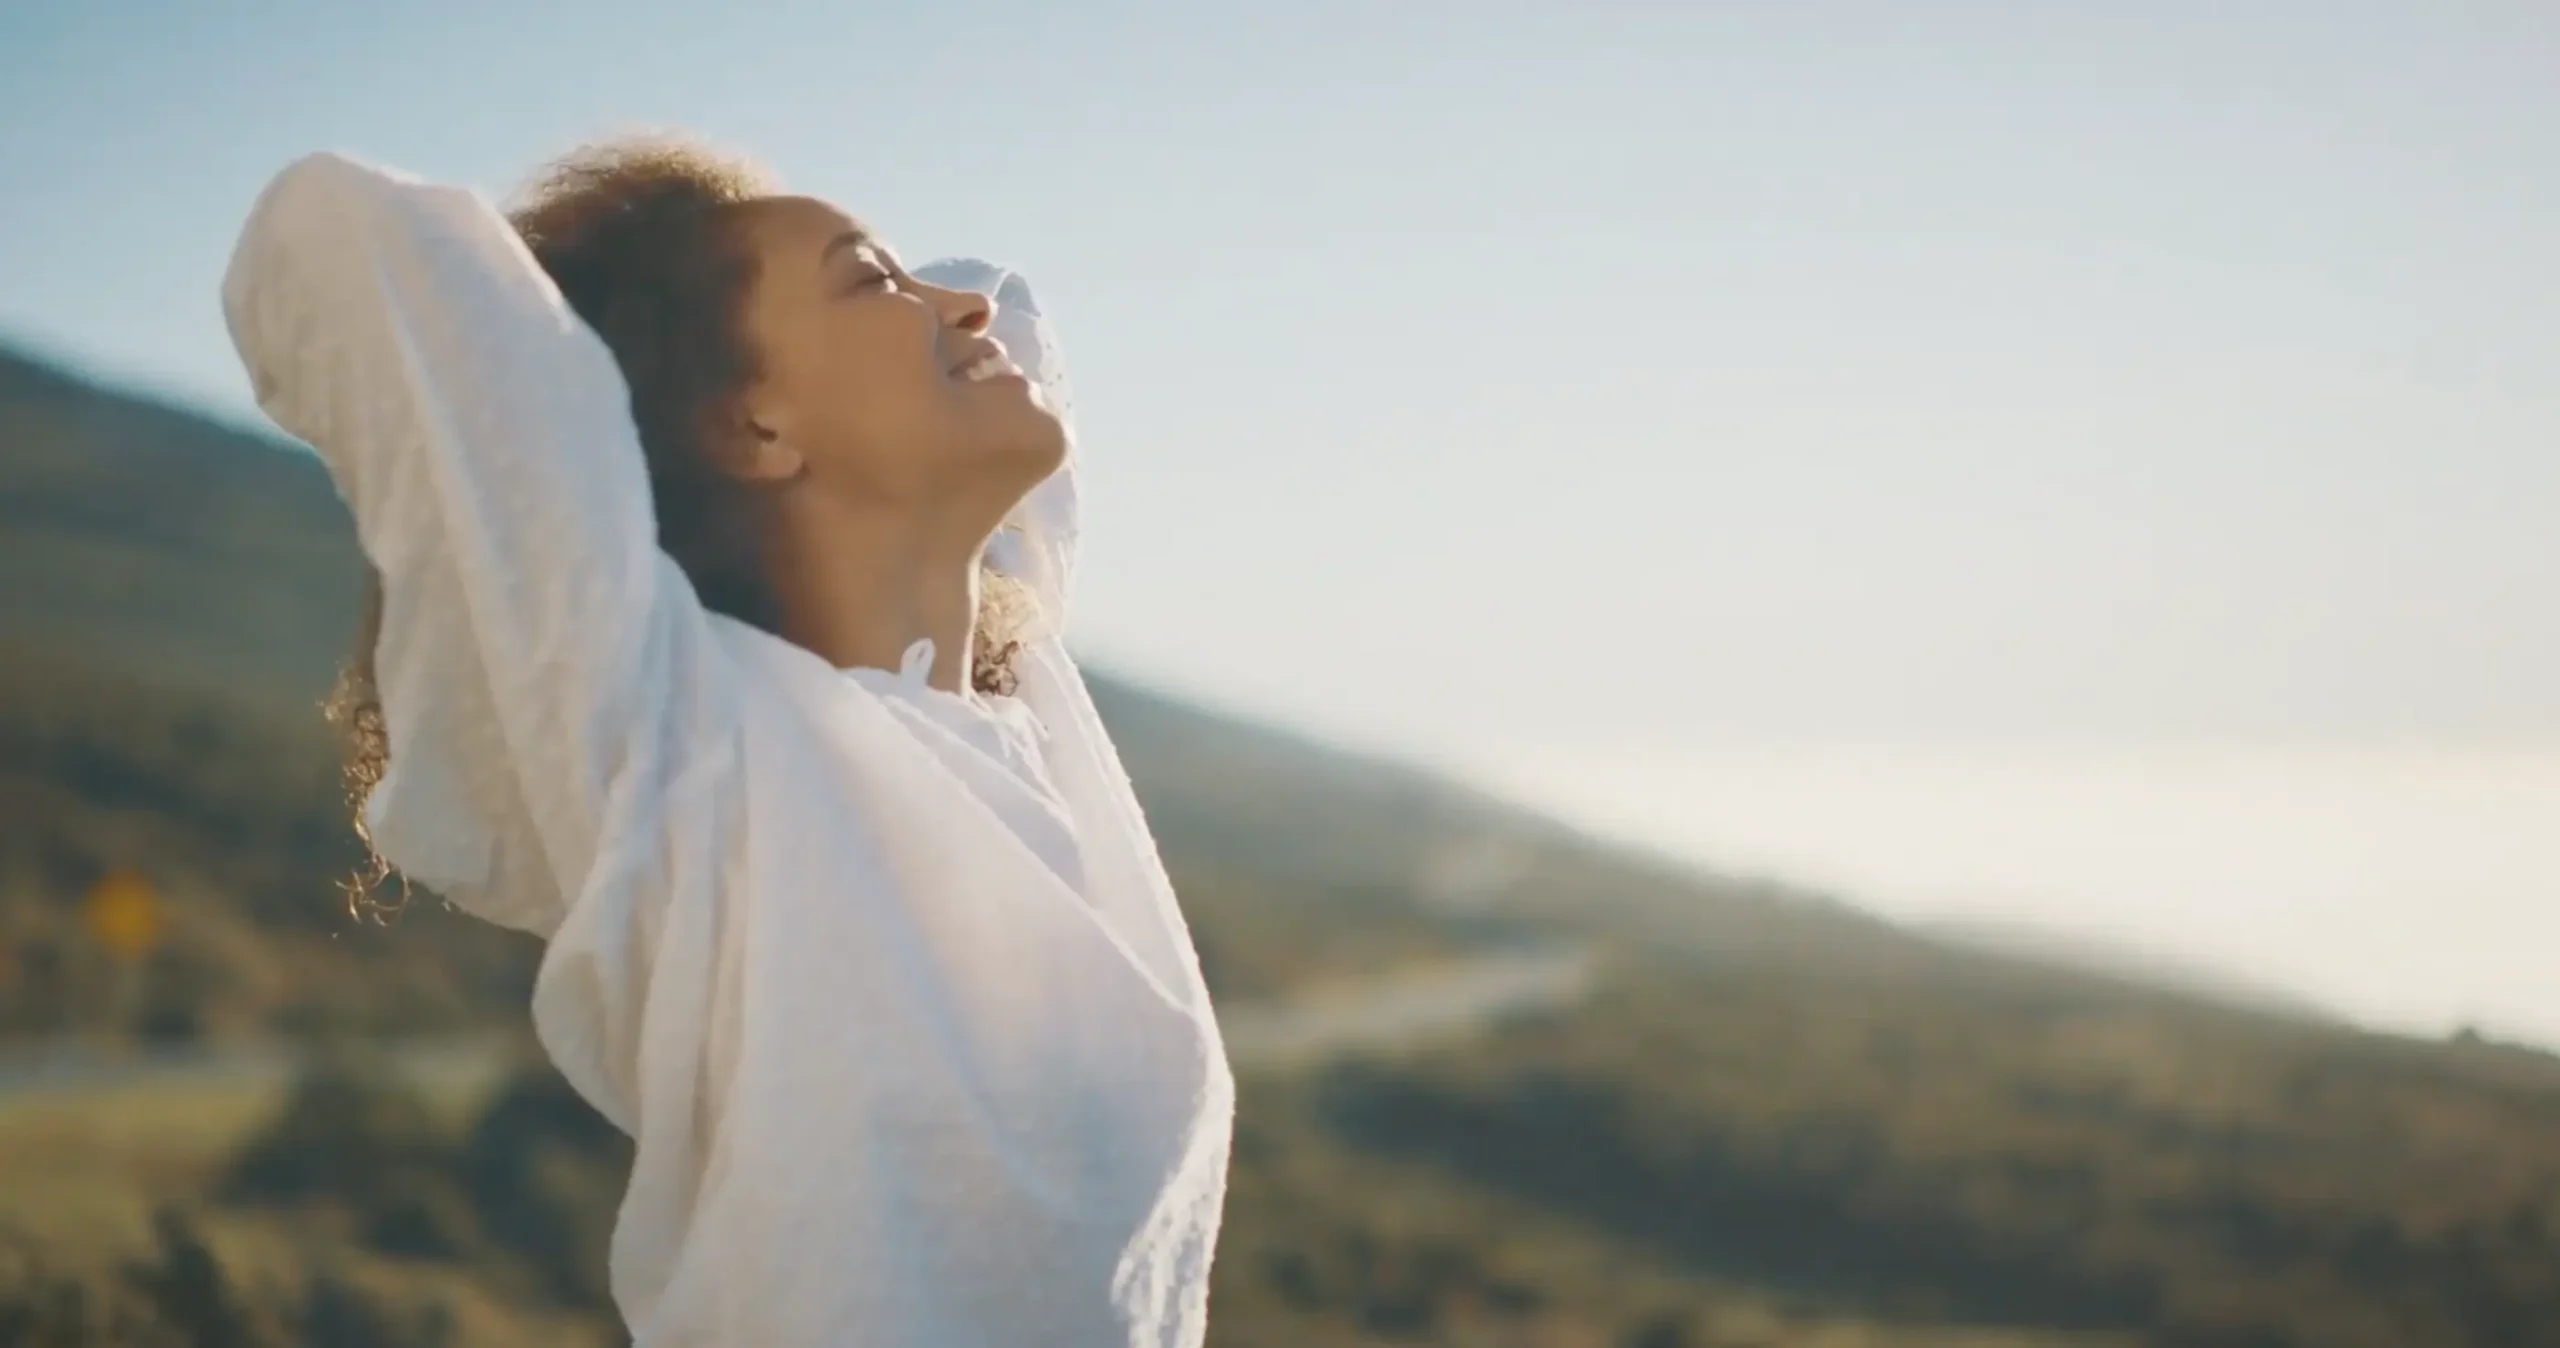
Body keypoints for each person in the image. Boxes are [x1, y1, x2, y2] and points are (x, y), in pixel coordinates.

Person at [220, 140, 1233, 1346]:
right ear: (747, 429)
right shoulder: (699, 752)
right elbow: (363, 250)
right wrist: (634, 311)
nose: (960, 309)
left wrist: (840, 287)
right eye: (873, 282)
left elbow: (997, 292)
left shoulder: (1029, 719)